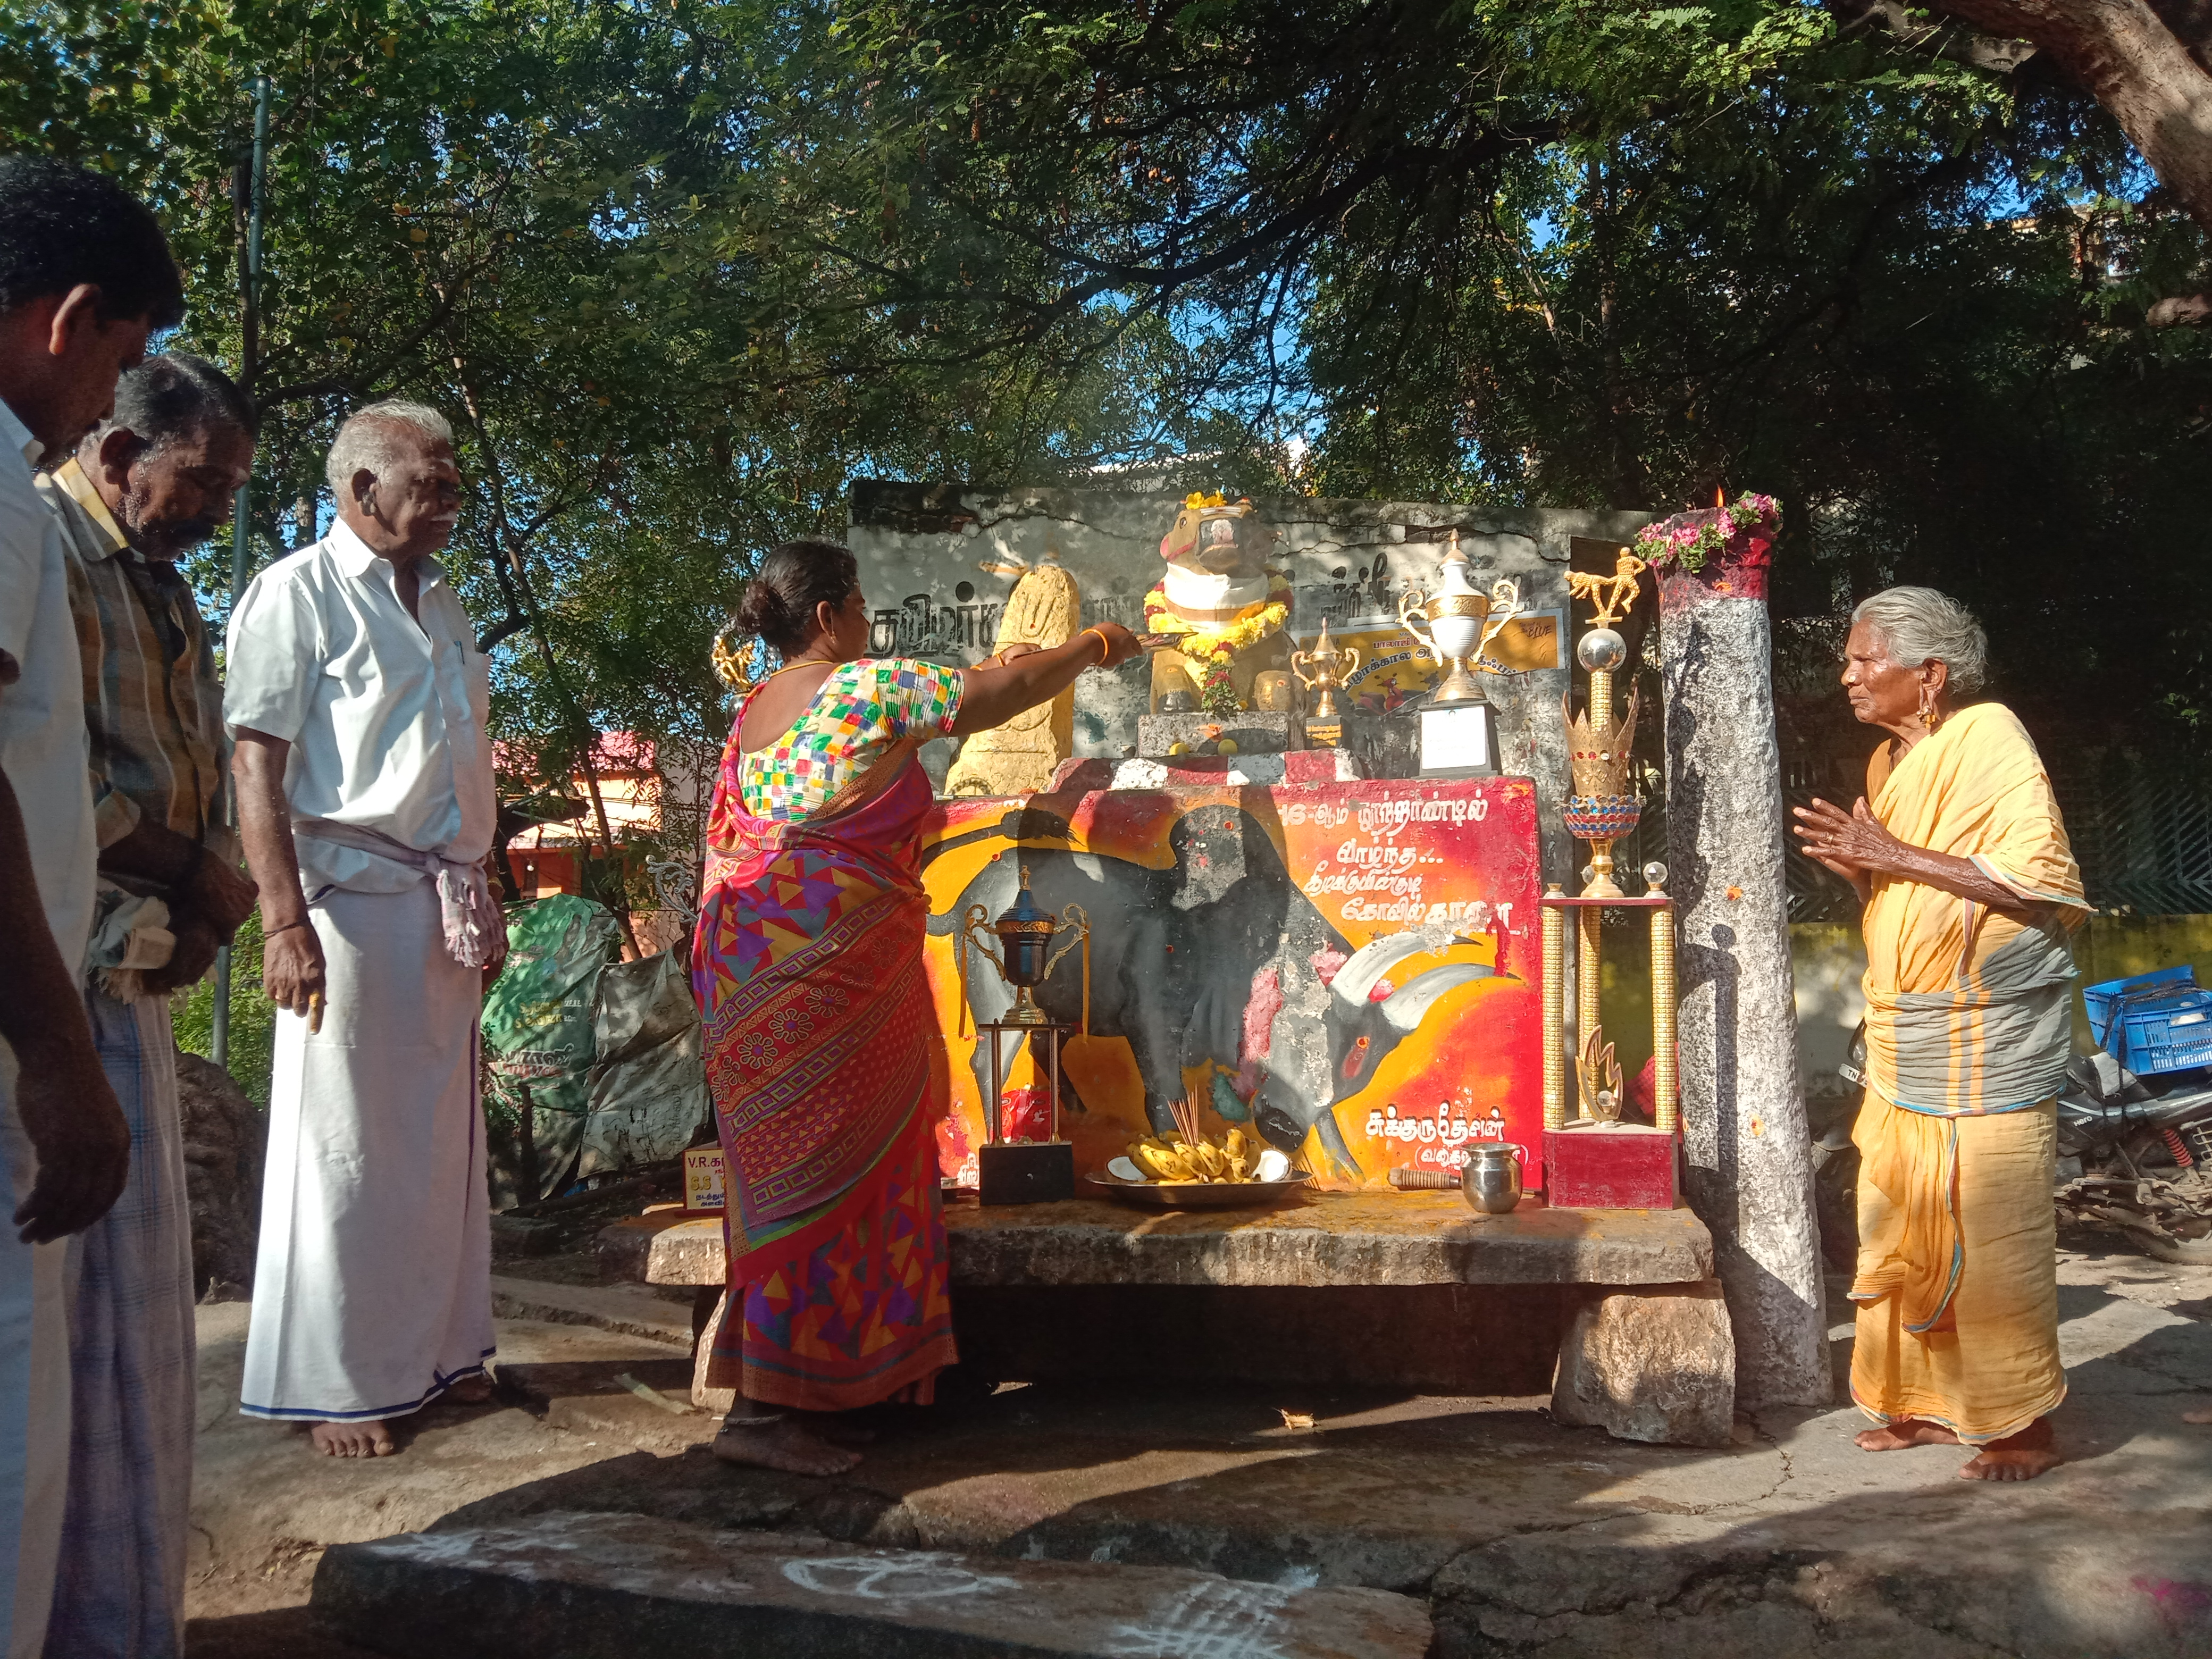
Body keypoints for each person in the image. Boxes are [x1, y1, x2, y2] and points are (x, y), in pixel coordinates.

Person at [694, 539, 1140, 1476]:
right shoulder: (863, 687)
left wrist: (1010, 668)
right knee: (828, 1178)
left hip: (748, 972)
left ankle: (848, 1386)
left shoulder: (752, 713)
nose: (869, 622)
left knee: (799, 1178)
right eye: (859, 605)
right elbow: (996, 699)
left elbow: (980, 682)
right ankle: (774, 1411)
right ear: (828, 617)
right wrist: (1098, 643)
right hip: (831, 970)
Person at [226, 399, 503, 1459]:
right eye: (430, 482)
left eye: (451, 483)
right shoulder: (293, 594)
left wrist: (486, 892)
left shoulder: (442, 601)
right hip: (344, 900)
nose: (448, 501)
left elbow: (462, 769)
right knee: (344, 1149)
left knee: (439, 1144)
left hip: (442, 899)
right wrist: (281, 919)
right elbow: (257, 762)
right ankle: (335, 1385)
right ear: (359, 491)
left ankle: (438, 1353)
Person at [40, 352, 260, 1656]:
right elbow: (48, 776)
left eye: (230, 489)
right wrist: (198, 873)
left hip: (135, 969)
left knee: (132, 1338)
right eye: (201, 483)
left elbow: (189, 761)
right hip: (59, 974)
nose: (213, 511)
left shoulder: (159, 581)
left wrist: (202, 887)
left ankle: (120, 1616)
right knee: (58, 1341)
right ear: (121, 454)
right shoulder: (44, 553)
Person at [0, 155, 179, 1658]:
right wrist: (60, 1065)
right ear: (67, 320)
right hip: (13, 1045)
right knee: (9, 1450)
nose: (103, 407)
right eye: (115, 361)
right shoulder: (2, 486)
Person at [1793, 586, 2084, 1482]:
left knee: (1991, 1230)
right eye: (1849, 659)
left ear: (1930, 676)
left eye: (1863, 659)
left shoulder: (1990, 736)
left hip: (1991, 1035)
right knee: (1901, 1219)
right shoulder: (1887, 766)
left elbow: (2039, 884)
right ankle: (1920, 1404)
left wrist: (1892, 857)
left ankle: (2020, 1427)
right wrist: (1862, 873)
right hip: (1908, 1036)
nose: (1847, 676)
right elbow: (1907, 899)